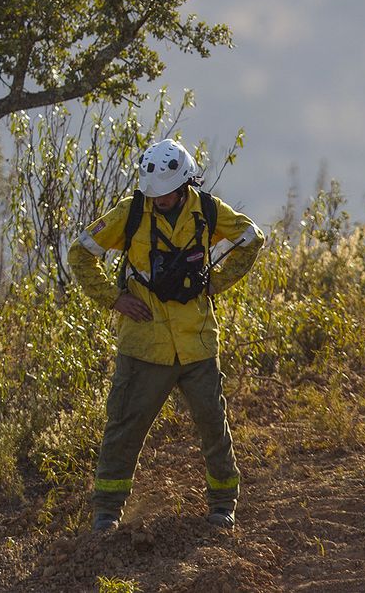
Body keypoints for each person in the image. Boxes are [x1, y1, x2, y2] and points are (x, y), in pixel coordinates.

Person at [68, 138, 266, 532]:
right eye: (154, 194)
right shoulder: (130, 213)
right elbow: (80, 252)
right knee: (124, 426)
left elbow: (252, 237)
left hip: (197, 342)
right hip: (144, 344)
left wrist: (218, 283)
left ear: (184, 185)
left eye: (167, 194)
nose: (159, 200)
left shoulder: (207, 210)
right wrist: (114, 298)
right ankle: (107, 513)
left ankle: (223, 505)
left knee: (213, 423)